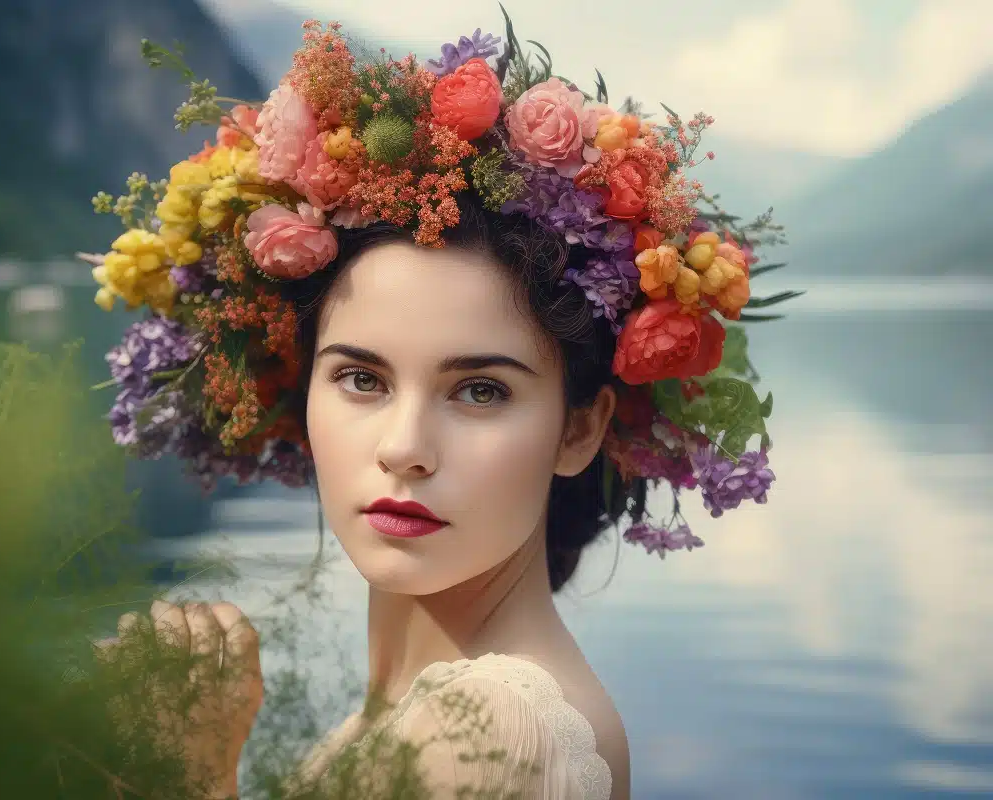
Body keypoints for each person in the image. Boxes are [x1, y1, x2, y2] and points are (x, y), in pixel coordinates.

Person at [91, 14, 785, 799]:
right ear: (301, 388)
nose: (405, 447)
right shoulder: (402, 719)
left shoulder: (496, 729)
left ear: (579, 427)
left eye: (480, 390)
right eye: (361, 379)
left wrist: (181, 774)